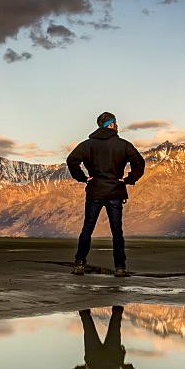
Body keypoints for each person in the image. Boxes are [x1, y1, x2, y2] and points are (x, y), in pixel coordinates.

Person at [66, 112, 146, 277]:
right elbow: (139, 162)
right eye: (116, 122)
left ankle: (80, 263)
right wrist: (128, 179)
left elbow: (71, 160)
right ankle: (120, 267)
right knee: (117, 231)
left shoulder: (88, 145)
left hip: (95, 190)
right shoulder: (123, 145)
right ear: (111, 124)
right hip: (115, 191)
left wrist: (83, 178)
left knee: (87, 228)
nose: (117, 125)